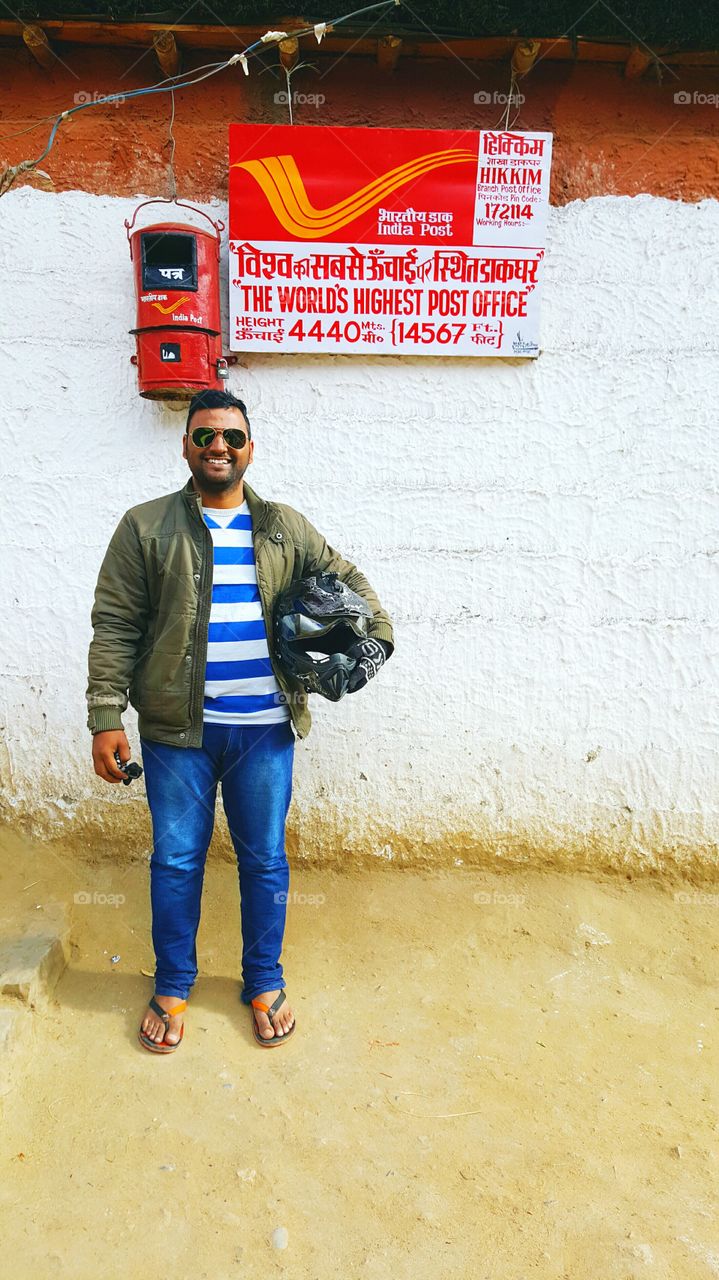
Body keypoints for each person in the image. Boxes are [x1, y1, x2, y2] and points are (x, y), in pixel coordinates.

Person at [87, 389, 394, 1053]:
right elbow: (114, 624)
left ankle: (262, 979)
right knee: (174, 861)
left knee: (263, 861)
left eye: (230, 436)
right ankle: (172, 984)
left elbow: (349, 579)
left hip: (265, 730)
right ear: (186, 447)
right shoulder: (146, 528)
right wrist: (104, 714)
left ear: (249, 447)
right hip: (175, 734)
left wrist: (378, 638)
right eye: (204, 436)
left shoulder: (283, 526)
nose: (217, 447)